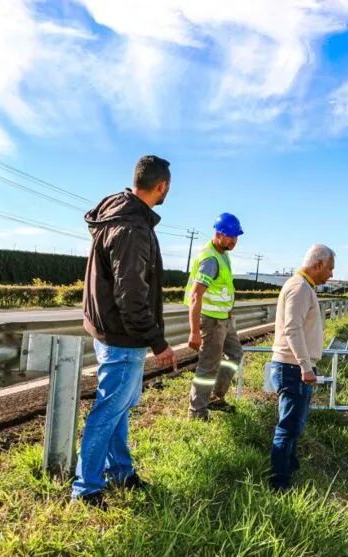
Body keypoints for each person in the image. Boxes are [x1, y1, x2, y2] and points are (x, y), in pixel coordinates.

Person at [72, 155, 178, 509]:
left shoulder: (117, 216)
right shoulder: (132, 228)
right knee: (109, 410)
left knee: (117, 407)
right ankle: (86, 489)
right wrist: (158, 341)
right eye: (169, 186)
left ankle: (120, 471)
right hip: (123, 337)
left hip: (109, 332)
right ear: (161, 185)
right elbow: (131, 295)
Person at [269, 244, 335, 491]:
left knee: (295, 423)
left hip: (296, 366)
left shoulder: (304, 286)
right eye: (329, 268)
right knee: (288, 425)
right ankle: (279, 483)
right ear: (317, 264)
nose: (331, 274)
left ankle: (290, 469)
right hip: (293, 367)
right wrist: (305, 366)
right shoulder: (299, 288)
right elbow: (292, 329)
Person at [184, 213, 245, 421]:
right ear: (218, 234)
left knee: (235, 354)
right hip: (211, 321)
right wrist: (194, 331)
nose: (234, 241)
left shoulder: (223, 253)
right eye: (230, 236)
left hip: (224, 319)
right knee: (208, 365)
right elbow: (195, 296)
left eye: (236, 237)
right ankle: (197, 411)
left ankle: (215, 397)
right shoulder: (210, 259)